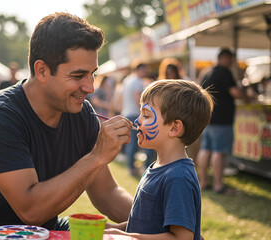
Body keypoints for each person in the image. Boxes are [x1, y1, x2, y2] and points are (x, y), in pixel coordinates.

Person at [0, 12, 134, 229]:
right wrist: (97, 156)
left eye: (92, 74)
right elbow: (31, 211)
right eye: (78, 76)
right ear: (42, 70)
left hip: (44, 231)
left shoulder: (81, 114)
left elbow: (107, 193)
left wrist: (155, 222)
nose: (90, 87)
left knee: (119, 231)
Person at [105, 79, 213, 240]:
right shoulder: (157, 167)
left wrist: (130, 238)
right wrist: (113, 228)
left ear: (174, 128)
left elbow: (182, 237)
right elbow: (145, 222)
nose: (137, 121)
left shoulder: (178, 177)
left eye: (146, 115)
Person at [196, 48, 251, 194]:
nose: (232, 62)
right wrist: (248, 98)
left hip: (207, 117)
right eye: (231, 59)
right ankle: (219, 185)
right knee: (219, 152)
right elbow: (235, 92)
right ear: (225, 58)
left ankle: (203, 182)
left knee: (205, 150)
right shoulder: (224, 72)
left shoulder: (207, 71)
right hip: (222, 119)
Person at [121, 62, 155, 176]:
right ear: (140, 69)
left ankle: (131, 168)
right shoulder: (137, 82)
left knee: (131, 143)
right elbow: (138, 100)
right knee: (143, 141)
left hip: (127, 113)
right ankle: (144, 167)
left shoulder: (127, 80)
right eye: (145, 69)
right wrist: (147, 113)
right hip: (135, 114)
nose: (146, 72)